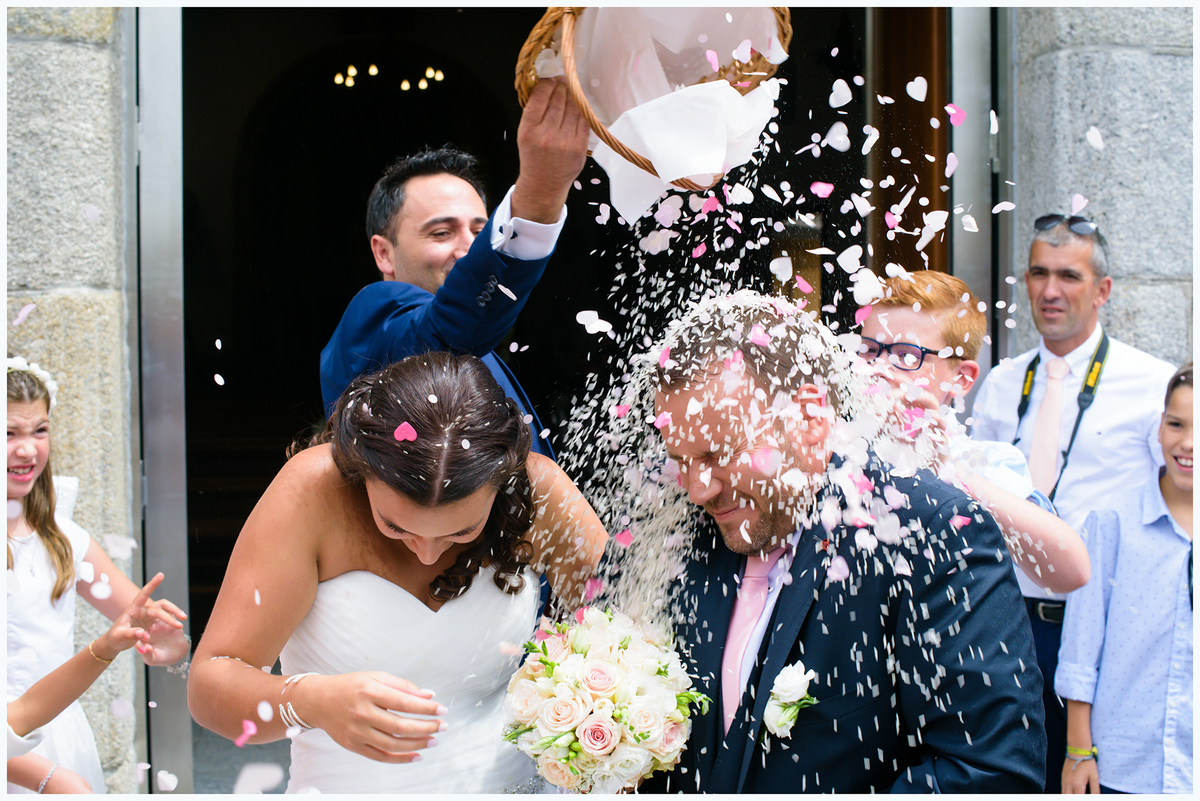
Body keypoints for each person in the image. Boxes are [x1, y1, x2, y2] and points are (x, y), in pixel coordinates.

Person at [643, 291, 1045, 793]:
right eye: (682, 460)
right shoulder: (684, 530)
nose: (699, 488)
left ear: (810, 417)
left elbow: (989, 775)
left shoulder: (931, 531)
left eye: (722, 452)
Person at [188, 352, 607, 793]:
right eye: (395, 525)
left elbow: (625, 642)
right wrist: (309, 701)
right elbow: (210, 683)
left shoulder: (537, 491)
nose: (427, 554)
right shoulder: (312, 492)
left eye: (462, 530)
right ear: (361, 467)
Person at [861, 270, 1089, 793]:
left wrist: (949, 473)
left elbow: (1070, 569)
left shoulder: (982, 462)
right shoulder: (831, 448)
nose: (879, 369)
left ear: (961, 379)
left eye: (906, 356)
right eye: (869, 349)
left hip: (949, 694)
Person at [970, 214, 1176, 790]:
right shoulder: (1002, 383)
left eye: (1069, 275)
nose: (1051, 291)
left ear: (1103, 290)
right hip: (1004, 619)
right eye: (1038, 273)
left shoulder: (1152, 384)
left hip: (1098, 632)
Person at [320, 78, 590, 459]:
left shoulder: (480, 340)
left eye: (480, 233)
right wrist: (540, 190)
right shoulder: (374, 322)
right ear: (384, 254)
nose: (468, 248)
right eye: (442, 232)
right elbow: (447, 333)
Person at [7, 357, 190, 794]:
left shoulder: (63, 538)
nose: (28, 450)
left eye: (40, 430)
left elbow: (144, 623)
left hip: (58, 736)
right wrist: (48, 777)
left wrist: (165, 640)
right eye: (9, 433)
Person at [1056, 363, 1192, 794]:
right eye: (1176, 424)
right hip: (1123, 765)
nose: (1188, 443)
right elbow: (1081, 647)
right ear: (1158, 426)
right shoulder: (1112, 520)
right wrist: (1078, 752)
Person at [8, 573, 169, 768]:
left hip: (54, 722)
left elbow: (149, 620)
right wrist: (42, 777)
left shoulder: (64, 544)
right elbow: (23, 712)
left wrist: (172, 637)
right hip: (15, 738)